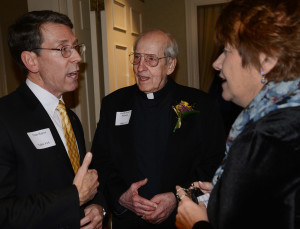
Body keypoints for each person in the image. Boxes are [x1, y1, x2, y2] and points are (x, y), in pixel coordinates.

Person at [175, 0, 300, 228]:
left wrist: (196, 223)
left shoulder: (264, 139)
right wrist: (227, 193)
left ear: (267, 60)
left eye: (227, 50)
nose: (216, 63)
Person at [91, 29, 225, 228]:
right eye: (137, 58)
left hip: (181, 220)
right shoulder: (114, 104)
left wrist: (178, 197)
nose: (140, 67)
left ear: (170, 65)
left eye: (151, 59)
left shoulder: (200, 105)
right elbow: (101, 159)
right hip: (129, 221)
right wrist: (121, 196)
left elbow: (214, 162)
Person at [0, 10, 106, 229]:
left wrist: (96, 208)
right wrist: (73, 198)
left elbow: (83, 182)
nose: (77, 57)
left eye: (75, 47)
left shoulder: (70, 117)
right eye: (63, 49)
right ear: (31, 60)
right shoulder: (5, 119)